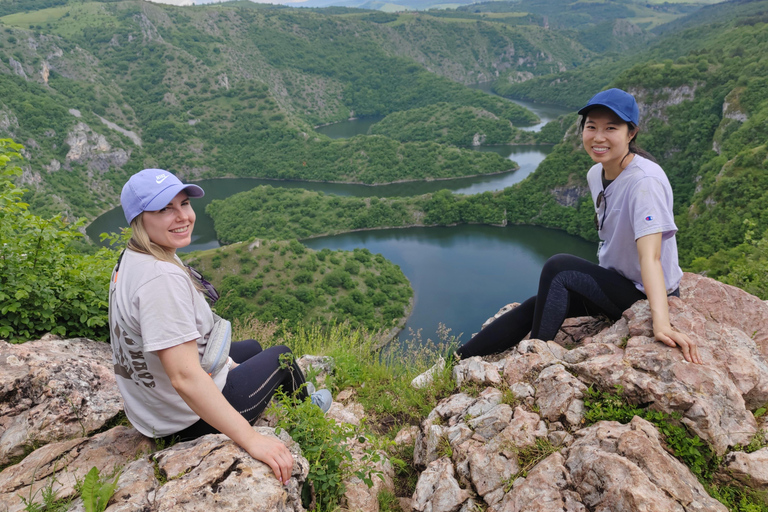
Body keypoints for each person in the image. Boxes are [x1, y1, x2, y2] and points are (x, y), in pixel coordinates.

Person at [108, 168, 332, 485]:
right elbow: (184, 377)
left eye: (184, 204)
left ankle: (284, 402)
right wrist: (252, 440)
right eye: (164, 209)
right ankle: (308, 410)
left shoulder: (133, 257)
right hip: (185, 420)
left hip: (152, 410)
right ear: (140, 219)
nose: (182, 216)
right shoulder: (160, 279)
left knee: (253, 348)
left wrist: (224, 363)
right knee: (282, 356)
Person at [455, 88, 702, 364]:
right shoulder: (596, 173)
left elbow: (651, 257)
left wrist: (661, 323)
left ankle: (535, 358)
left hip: (644, 295)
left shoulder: (645, 182)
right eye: (591, 126)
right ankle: (454, 360)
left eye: (611, 128)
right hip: (619, 283)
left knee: (559, 267)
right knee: (537, 303)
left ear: (631, 133)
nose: (598, 137)